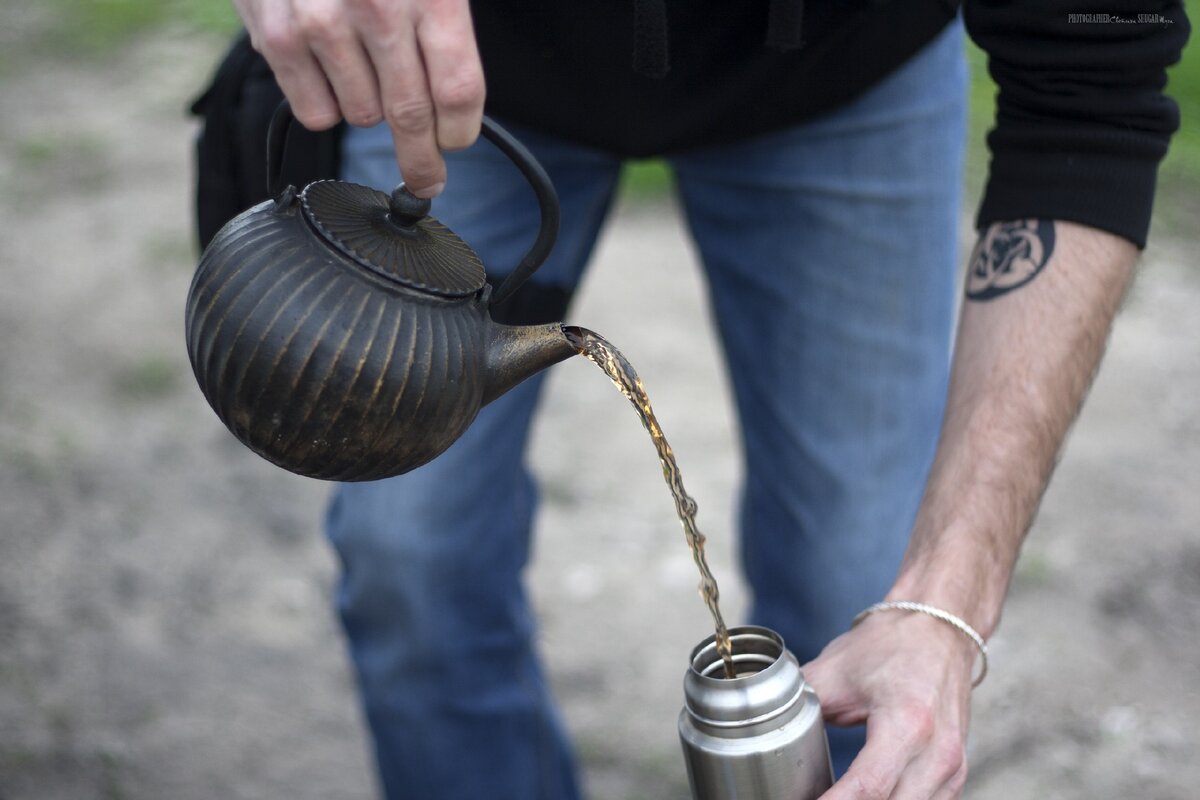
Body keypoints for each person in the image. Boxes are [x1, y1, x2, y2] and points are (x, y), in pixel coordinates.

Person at [223, 1, 1190, 797]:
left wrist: (944, 609)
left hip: (842, 66)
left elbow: (1092, 102)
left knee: (860, 586)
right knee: (413, 560)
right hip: (455, 63)